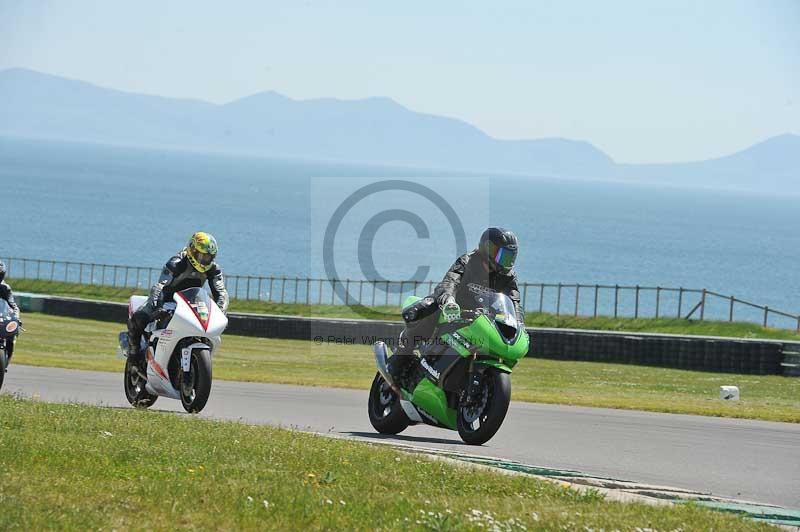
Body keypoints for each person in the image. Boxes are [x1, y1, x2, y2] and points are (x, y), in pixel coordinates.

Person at [387, 227, 524, 383]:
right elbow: (450, 281)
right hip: (453, 309)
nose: (506, 261)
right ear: (487, 249)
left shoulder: (508, 276)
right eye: (502, 255)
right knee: (429, 308)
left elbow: (514, 302)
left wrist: (518, 322)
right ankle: (400, 358)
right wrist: (448, 299)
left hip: (481, 318)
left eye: (509, 257)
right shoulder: (468, 261)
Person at [127, 232, 229, 361]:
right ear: (192, 250)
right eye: (202, 256)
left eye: (209, 257)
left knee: (205, 332)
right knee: (140, 317)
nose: (205, 260)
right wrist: (157, 307)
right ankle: (134, 352)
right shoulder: (176, 263)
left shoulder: (213, 269)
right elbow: (159, 287)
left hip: (192, 303)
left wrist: (221, 313)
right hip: (166, 300)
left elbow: (221, 293)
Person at [0, 260, 21, 363]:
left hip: (1, 317)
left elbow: (13, 305)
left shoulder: (5, 288)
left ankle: (6, 361)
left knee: (11, 337)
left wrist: (16, 318)